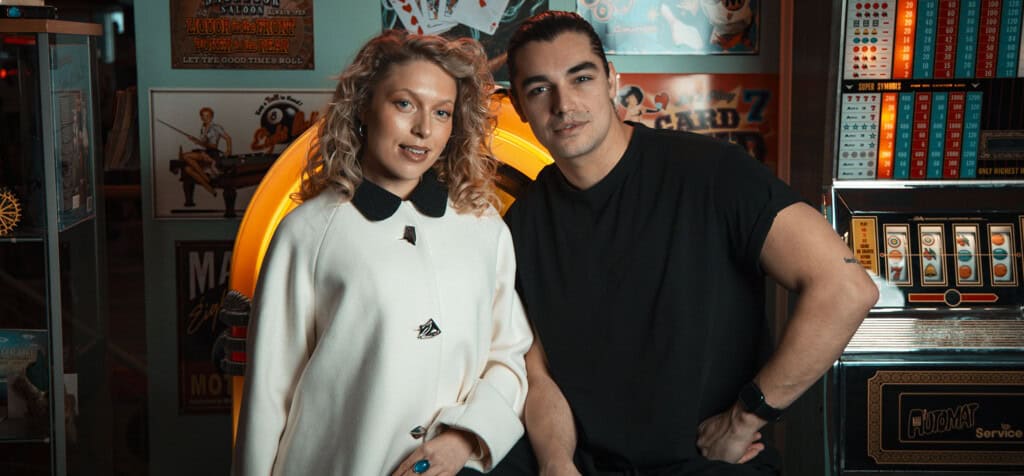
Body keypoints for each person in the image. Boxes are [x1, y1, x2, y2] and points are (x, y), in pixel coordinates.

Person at [485, 11, 879, 475]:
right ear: (518, 105)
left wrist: (746, 417)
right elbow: (539, 375)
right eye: (539, 89)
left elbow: (846, 287)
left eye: (581, 78)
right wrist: (556, 463)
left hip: (708, 465)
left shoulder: (711, 173)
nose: (563, 104)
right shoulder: (522, 225)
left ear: (612, 80)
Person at [232, 30, 533, 476]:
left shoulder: (485, 227)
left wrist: (464, 439)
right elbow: (268, 394)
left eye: (442, 112)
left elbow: (508, 357)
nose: (423, 129)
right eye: (405, 104)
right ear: (363, 107)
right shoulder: (306, 232)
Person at [180, 106, 232, 197]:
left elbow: (228, 138)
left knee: (185, 156)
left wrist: (228, 150)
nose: (205, 118)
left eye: (207, 116)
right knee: (187, 169)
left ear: (212, 117)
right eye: (203, 116)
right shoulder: (203, 128)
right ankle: (209, 188)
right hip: (205, 152)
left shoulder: (216, 127)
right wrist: (195, 140)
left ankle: (206, 178)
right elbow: (204, 143)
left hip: (212, 153)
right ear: (201, 117)